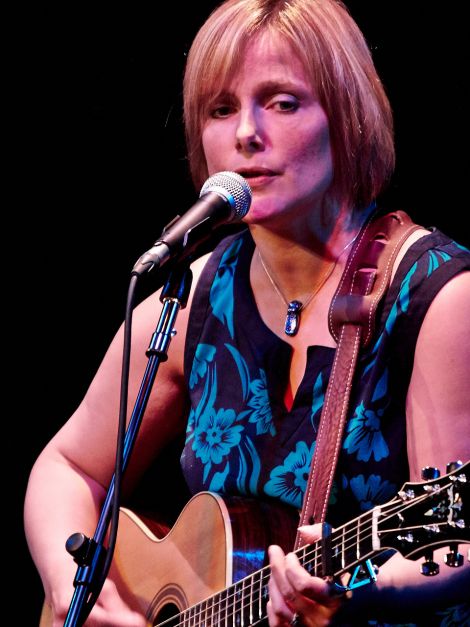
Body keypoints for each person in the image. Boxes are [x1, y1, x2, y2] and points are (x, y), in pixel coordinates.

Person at [25, 0, 470, 625]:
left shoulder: (435, 295)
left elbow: (456, 539)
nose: (245, 134)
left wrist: (358, 590)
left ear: (348, 119)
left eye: (282, 102)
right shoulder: (192, 296)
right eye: (221, 109)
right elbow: (68, 465)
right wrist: (77, 590)